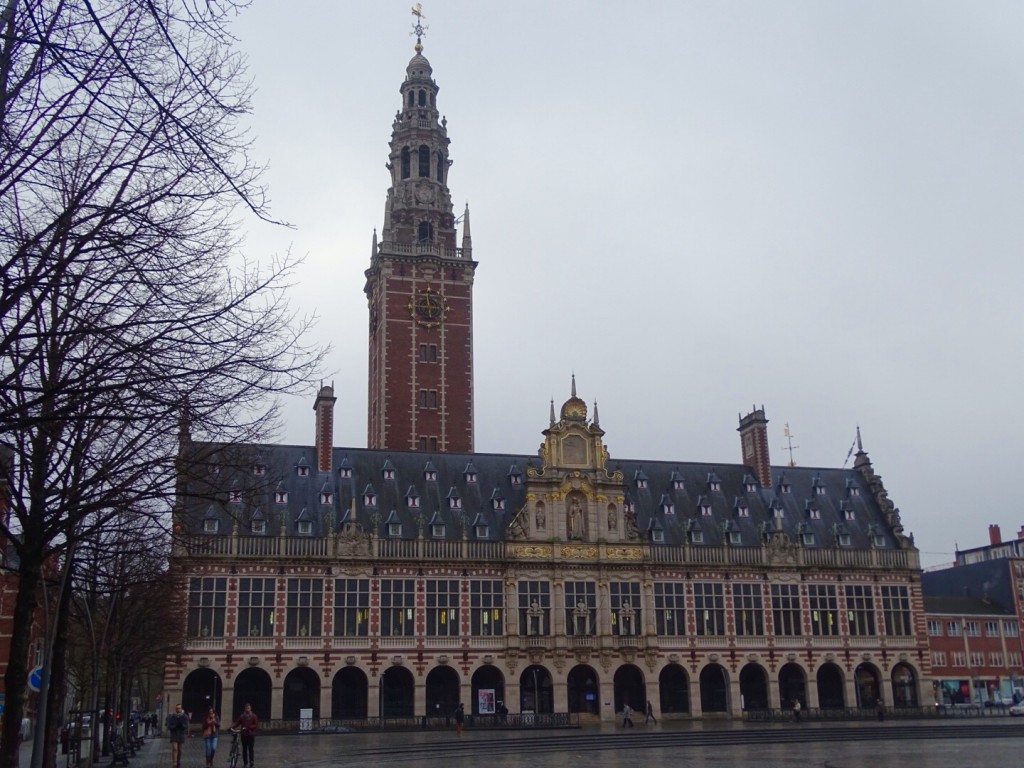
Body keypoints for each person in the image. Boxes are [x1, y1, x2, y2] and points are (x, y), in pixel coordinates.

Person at [232, 703, 258, 768]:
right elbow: (237, 723)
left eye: (248, 708)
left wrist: (249, 727)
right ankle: (245, 762)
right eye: (246, 708)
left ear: (250, 708)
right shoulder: (242, 716)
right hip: (244, 734)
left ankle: (251, 761)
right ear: (245, 709)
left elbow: (256, 725)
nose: (247, 709)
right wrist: (232, 728)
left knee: (251, 749)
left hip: (251, 734)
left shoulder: (254, 716)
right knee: (244, 749)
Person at [165, 704, 190, 768]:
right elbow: (169, 725)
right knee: (175, 749)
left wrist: (182, 725)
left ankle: (178, 761)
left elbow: (186, 725)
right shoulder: (172, 716)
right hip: (174, 734)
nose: (178, 709)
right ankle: (174, 763)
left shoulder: (184, 716)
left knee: (180, 750)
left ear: (181, 709)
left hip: (181, 735)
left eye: (179, 708)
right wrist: (174, 726)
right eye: (177, 708)